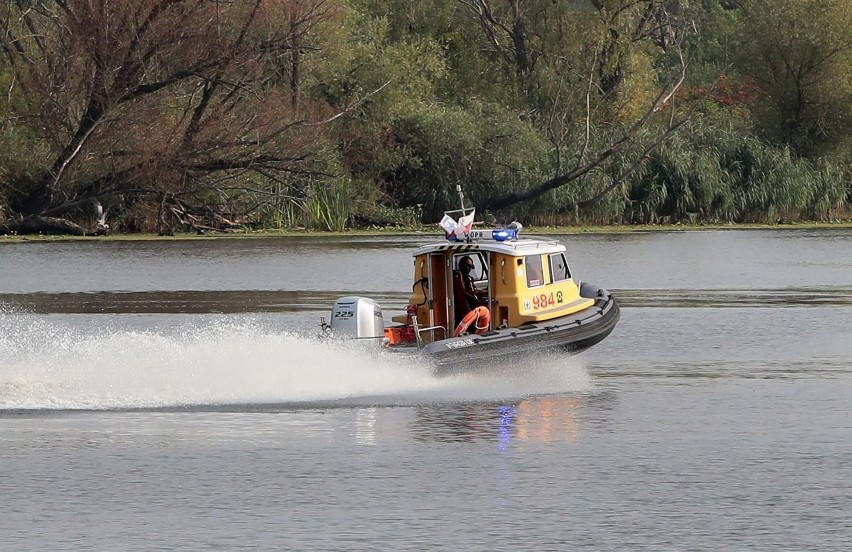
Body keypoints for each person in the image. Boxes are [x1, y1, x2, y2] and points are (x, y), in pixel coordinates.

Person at [453, 255, 488, 322]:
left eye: (470, 266)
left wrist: (486, 291)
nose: (469, 268)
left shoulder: (469, 278)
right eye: (467, 266)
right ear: (461, 266)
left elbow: (474, 291)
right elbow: (468, 295)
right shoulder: (461, 278)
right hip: (471, 308)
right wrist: (480, 303)